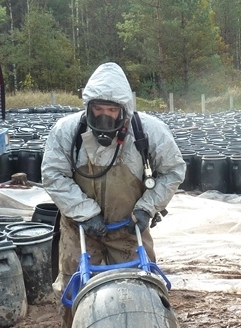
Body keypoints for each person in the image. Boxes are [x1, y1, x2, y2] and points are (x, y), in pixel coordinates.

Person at [40, 62, 186, 327]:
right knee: (72, 290)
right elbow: (53, 175)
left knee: (140, 288)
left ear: (124, 110)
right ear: (88, 107)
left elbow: (173, 171)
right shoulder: (66, 132)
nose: (105, 116)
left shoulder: (147, 132)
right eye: (98, 109)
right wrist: (85, 213)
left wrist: (147, 207)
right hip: (80, 226)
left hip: (128, 227)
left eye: (112, 110)